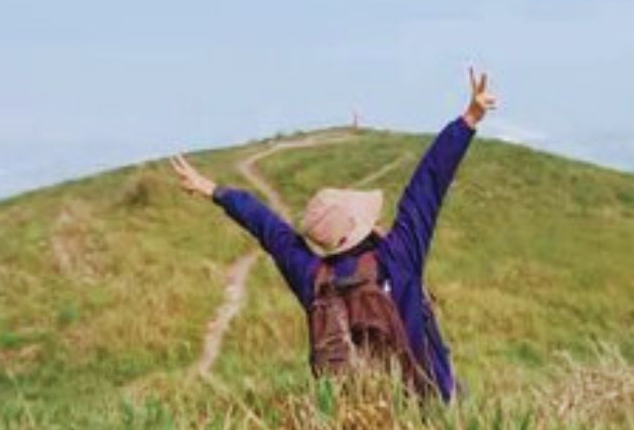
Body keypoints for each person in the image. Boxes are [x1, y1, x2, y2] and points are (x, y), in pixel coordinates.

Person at [170, 69, 497, 401]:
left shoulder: (313, 278)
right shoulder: (399, 256)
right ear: (360, 228)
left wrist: (213, 190)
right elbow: (428, 183)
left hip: (364, 426)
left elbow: (268, 227)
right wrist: (469, 119)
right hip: (432, 409)